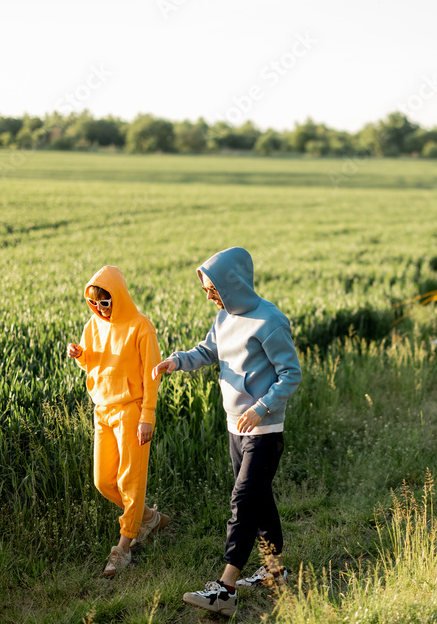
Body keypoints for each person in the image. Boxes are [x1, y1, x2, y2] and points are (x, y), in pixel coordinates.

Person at [152, 247, 301, 617]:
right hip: (235, 427)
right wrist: (176, 361)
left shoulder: (269, 320)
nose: (208, 295)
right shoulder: (223, 318)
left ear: (231, 283)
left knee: (243, 502)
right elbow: (207, 351)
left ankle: (226, 588)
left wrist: (261, 407)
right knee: (259, 501)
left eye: (212, 288)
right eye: (206, 289)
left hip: (263, 429)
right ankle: (274, 571)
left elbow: (291, 375)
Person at [67, 265, 170, 578]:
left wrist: (147, 416)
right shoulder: (92, 325)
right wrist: (81, 355)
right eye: (95, 303)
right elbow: (96, 362)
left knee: (130, 482)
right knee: (103, 481)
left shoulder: (142, 327)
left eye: (106, 302)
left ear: (119, 296)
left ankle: (122, 550)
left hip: (132, 411)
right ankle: (149, 518)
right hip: (103, 411)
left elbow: (153, 376)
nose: (101, 309)